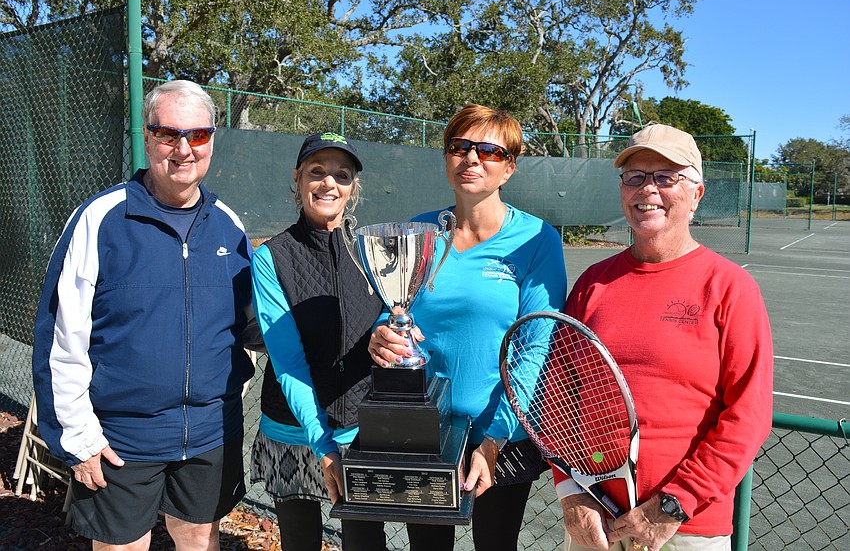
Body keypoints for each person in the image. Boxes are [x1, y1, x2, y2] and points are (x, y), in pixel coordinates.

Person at [31, 79, 256, 549]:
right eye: (167, 133)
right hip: (121, 437)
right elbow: (60, 336)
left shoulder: (230, 225)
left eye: (197, 135)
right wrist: (78, 435)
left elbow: (247, 326)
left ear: (212, 139)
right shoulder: (99, 219)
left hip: (211, 431)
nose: (183, 149)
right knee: (123, 545)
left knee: (198, 535)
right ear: (147, 136)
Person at [553, 124, 774, 551]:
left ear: (696, 193)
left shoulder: (730, 288)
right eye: (635, 176)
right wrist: (572, 493)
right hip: (596, 522)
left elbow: (748, 415)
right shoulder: (591, 285)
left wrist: (671, 506)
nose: (647, 189)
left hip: (684, 528)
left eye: (666, 177)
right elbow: (559, 400)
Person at [368, 104, 568, 550]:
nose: (471, 158)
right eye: (459, 147)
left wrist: (494, 438)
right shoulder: (418, 231)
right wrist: (383, 331)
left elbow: (537, 347)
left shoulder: (537, 240)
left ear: (509, 168)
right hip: (425, 430)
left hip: (503, 433)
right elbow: (395, 307)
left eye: (489, 151)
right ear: (446, 158)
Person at [250, 132, 387, 550]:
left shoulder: (376, 250)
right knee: (299, 542)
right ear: (298, 179)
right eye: (317, 172)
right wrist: (323, 444)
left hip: (360, 431)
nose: (329, 183)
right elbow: (288, 361)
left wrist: (389, 329)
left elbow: (390, 311)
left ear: (353, 189)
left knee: (365, 541)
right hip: (292, 429)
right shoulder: (271, 256)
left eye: (341, 175)